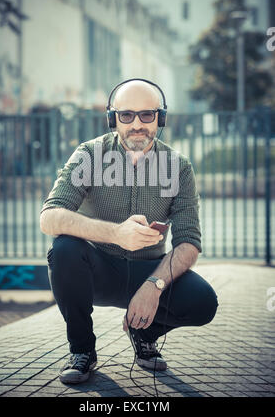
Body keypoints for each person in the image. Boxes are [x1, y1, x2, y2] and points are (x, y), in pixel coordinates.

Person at [40, 79, 218, 385]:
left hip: (149, 269)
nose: (137, 124)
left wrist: (154, 286)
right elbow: (49, 217)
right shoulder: (89, 155)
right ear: (113, 119)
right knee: (65, 248)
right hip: (99, 271)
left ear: (160, 118)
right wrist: (115, 234)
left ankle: (143, 332)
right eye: (126, 115)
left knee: (204, 302)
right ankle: (82, 350)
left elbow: (189, 242)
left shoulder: (180, 167)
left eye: (147, 115)